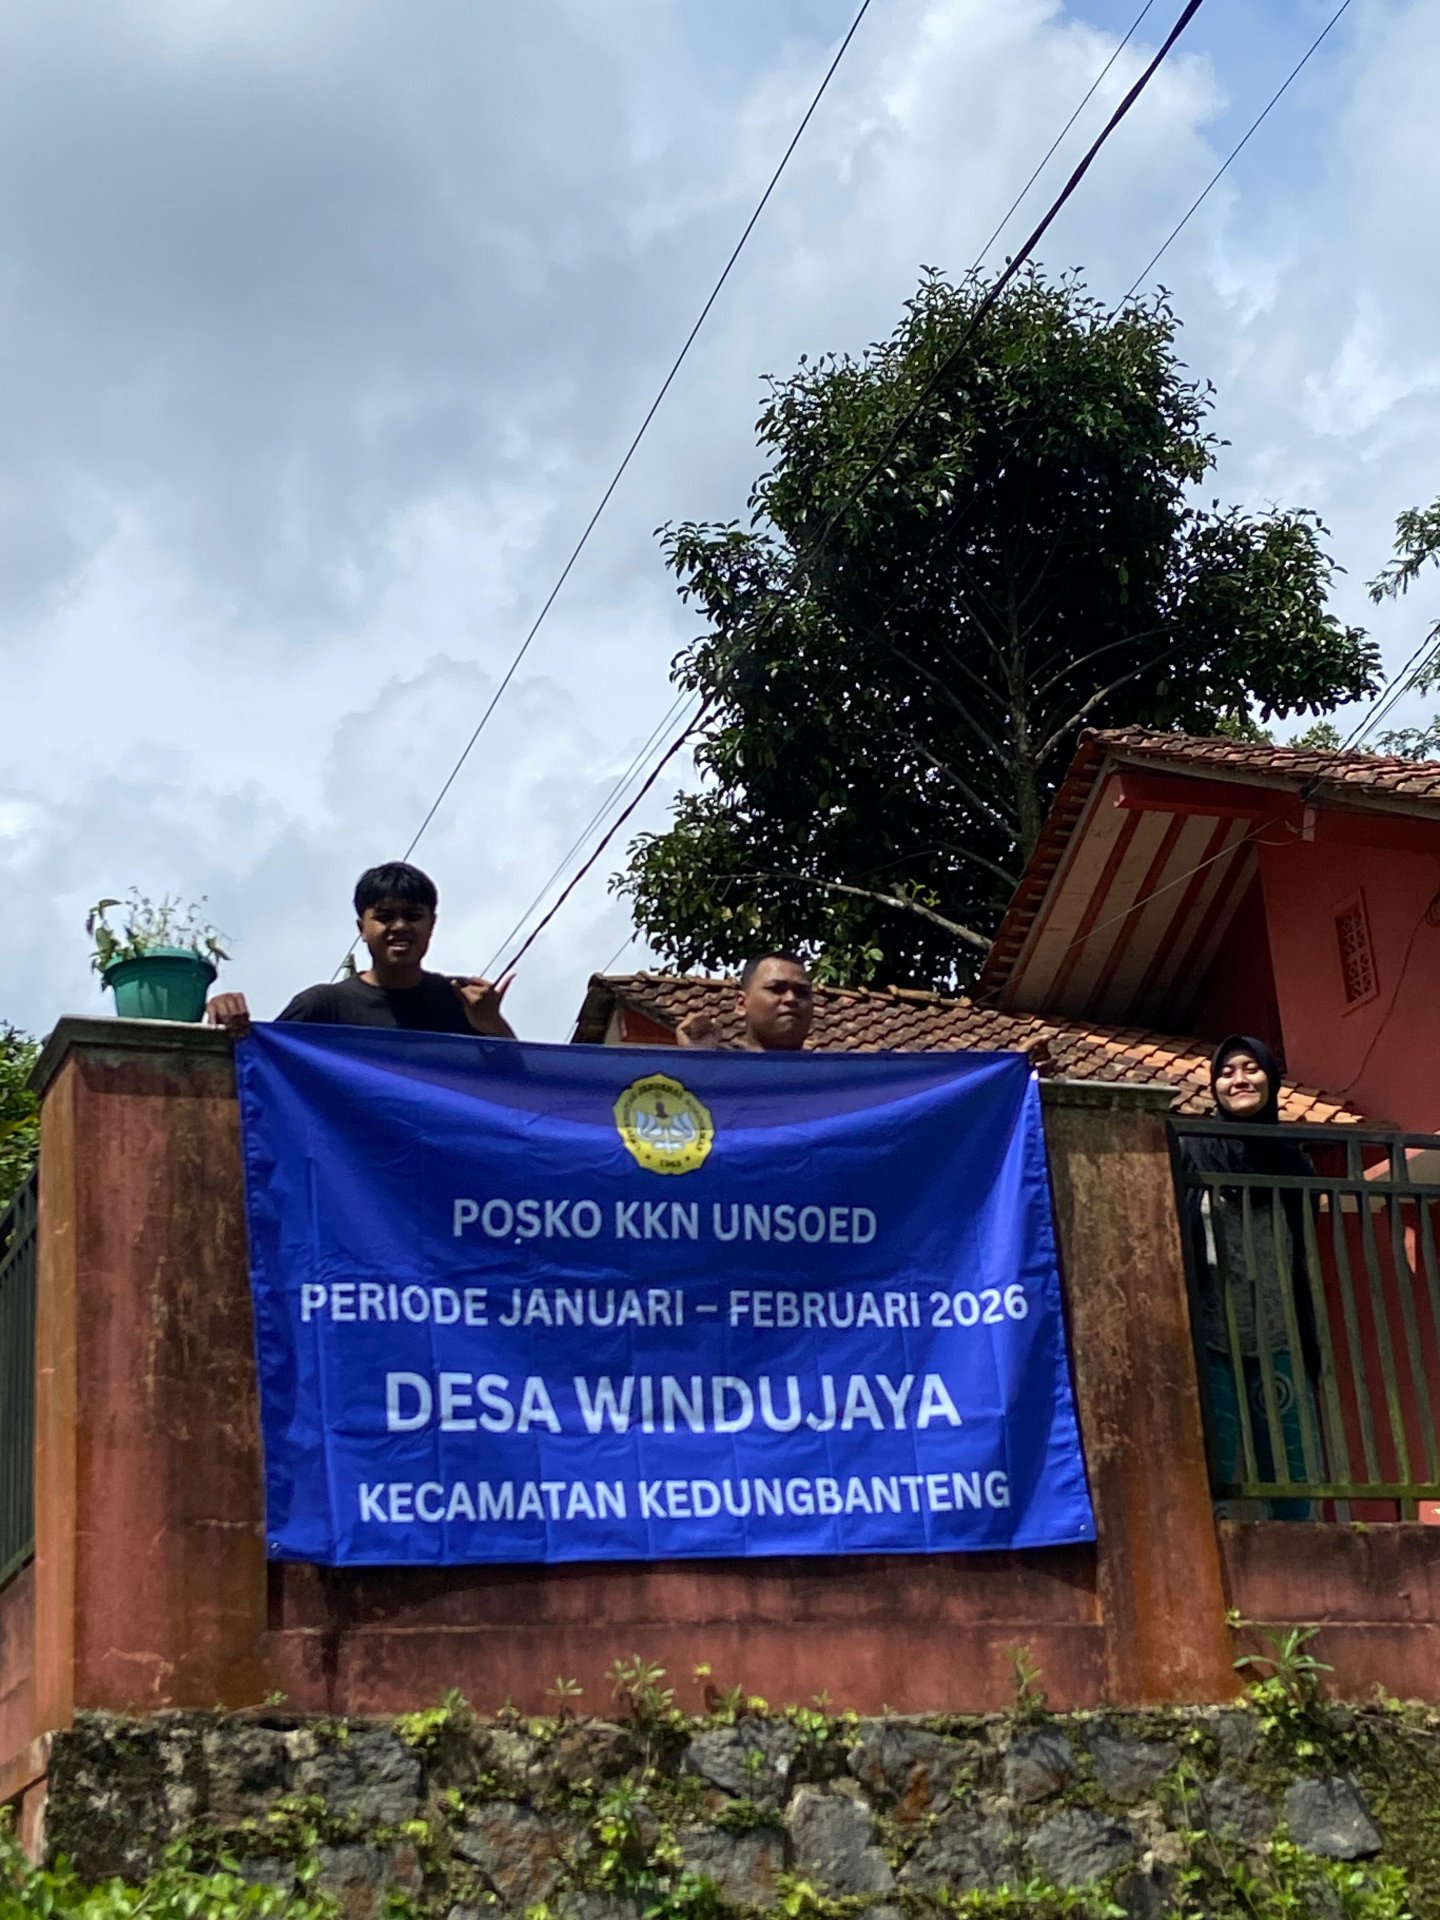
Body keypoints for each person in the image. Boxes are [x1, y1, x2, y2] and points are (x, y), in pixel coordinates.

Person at [1177, 1035, 1324, 1521]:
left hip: (1279, 1332)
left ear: (1271, 1078)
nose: (1239, 1080)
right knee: (1212, 1465)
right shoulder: (1190, 1149)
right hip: (1213, 1334)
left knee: (1289, 1464)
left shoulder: (1292, 1159)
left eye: (1250, 1068)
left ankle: (1300, 1570)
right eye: (1226, 1071)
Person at [206, 862, 517, 1040]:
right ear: (361, 928)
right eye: (384, 917)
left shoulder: (461, 1001)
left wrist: (491, 1023)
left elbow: (522, 1089)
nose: (399, 927)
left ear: (432, 924)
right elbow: (265, 1070)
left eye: (413, 916)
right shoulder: (322, 1007)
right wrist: (223, 1019)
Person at [676, 952, 814, 1053]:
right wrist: (697, 1062)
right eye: (776, 989)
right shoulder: (720, 1076)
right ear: (742, 1004)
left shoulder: (832, 1080)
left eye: (802, 992)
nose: (791, 998)